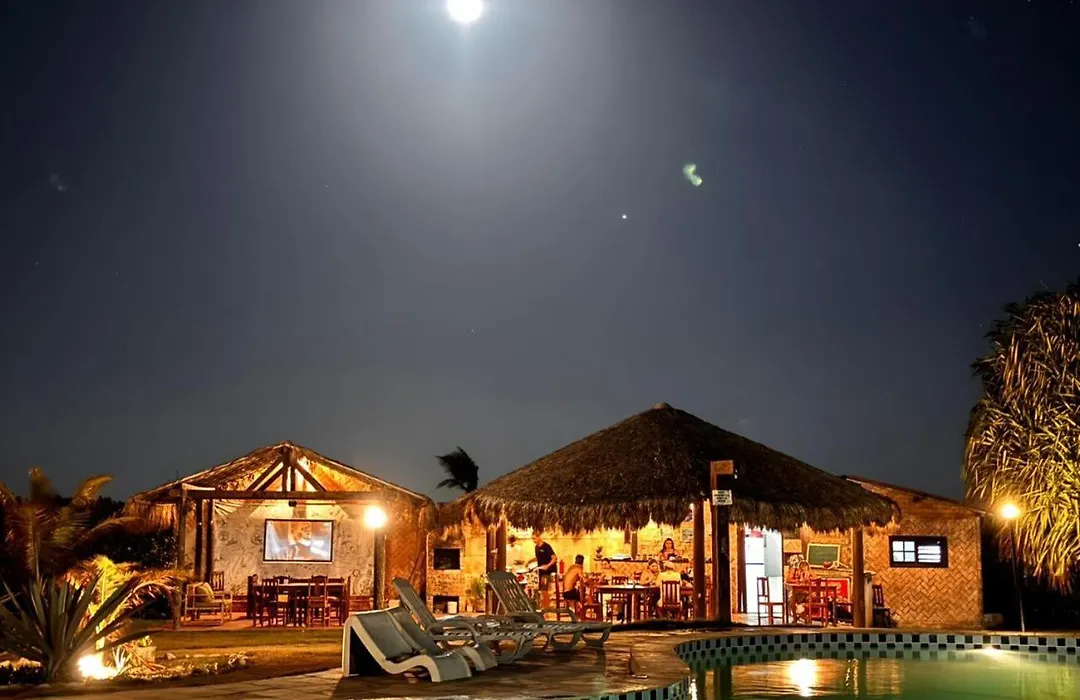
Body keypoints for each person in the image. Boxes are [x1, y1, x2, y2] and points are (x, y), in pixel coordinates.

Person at [527, 530, 558, 609]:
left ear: (539, 537)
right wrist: (529, 561)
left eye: (534, 538)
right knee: (542, 591)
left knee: (545, 591)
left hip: (548, 571)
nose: (533, 540)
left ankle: (546, 608)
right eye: (532, 539)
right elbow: (538, 557)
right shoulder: (536, 547)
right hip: (541, 571)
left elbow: (554, 558)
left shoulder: (546, 546)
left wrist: (548, 565)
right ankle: (543, 607)